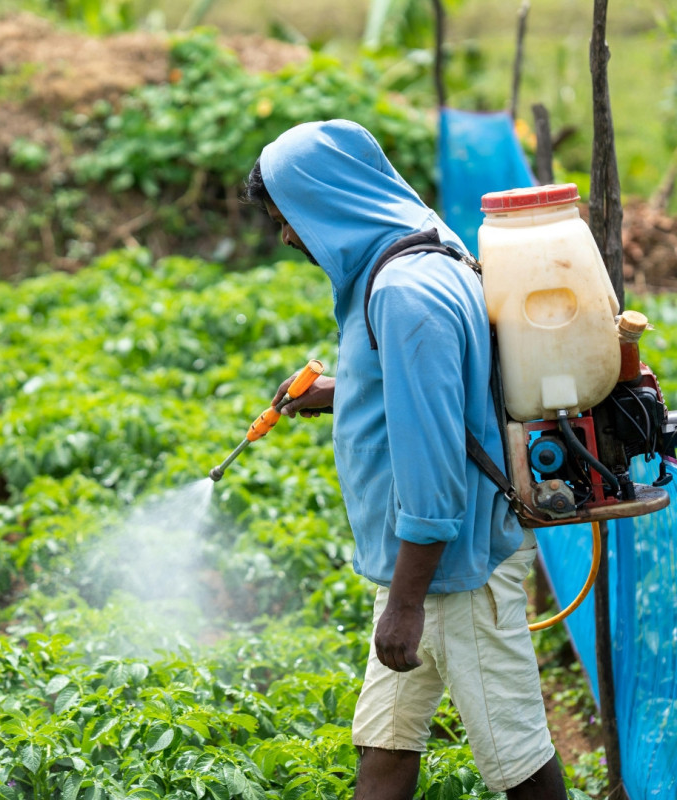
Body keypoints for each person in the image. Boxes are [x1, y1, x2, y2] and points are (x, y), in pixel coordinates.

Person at [244, 119, 567, 800]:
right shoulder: (426, 242)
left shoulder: (400, 295)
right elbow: (446, 380)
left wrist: (406, 602)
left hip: (452, 572)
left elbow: (433, 457)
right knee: (385, 739)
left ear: (328, 203)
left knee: (519, 763)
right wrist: (350, 389)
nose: (289, 237)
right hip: (430, 567)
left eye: (289, 218)